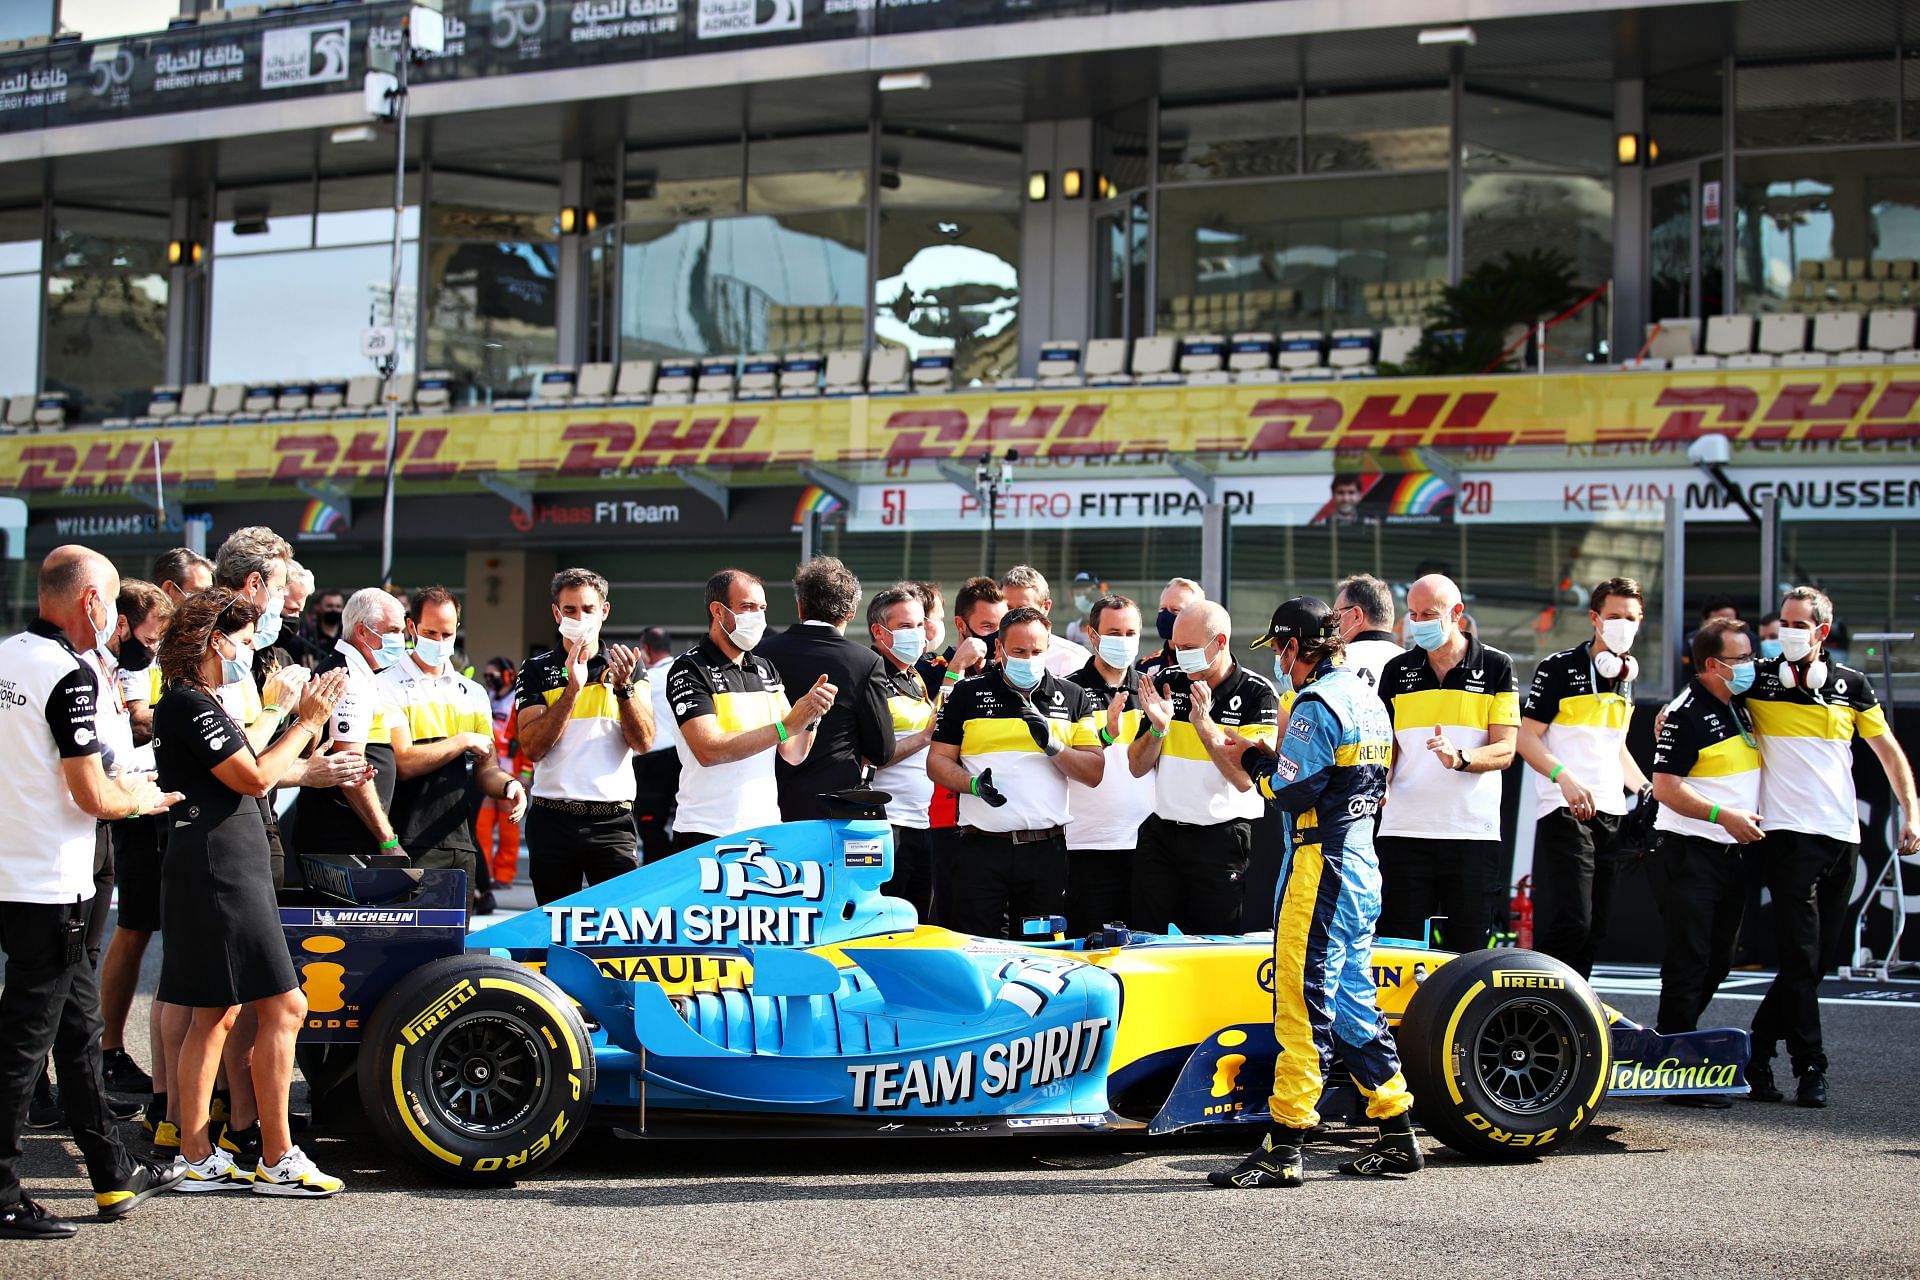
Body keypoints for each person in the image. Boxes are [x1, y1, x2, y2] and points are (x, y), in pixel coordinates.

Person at [0, 546, 187, 1238]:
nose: (111, 611)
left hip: (19, 869)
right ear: (89, 602)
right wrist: (138, 797)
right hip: (52, 880)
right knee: (25, 1040)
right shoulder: (68, 674)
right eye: (108, 598)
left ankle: (111, 1171)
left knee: (79, 1029)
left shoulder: (7, 655)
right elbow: (90, 794)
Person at [1209, 597, 1417, 1189]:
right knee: (1352, 998)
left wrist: (1251, 757)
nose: (1278, 660)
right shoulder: (1367, 698)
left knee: (1301, 1002)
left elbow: (1290, 792)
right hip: (1360, 861)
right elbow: (1333, 778)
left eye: (1278, 648)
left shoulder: (1314, 700)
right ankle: (1397, 1130)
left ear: (1295, 647)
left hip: (1320, 866)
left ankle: (1286, 1144)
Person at [153, 588, 348, 1195]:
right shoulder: (188, 702)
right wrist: (307, 721)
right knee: (285, 1007)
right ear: (215, 641)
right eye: (240, 640)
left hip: (221, 858)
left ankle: (197, 1154)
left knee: (215, 1013)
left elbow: (254, 758)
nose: (248, 650)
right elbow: (257, 775)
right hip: (221, 865)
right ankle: (276, 1156)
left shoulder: (197, 700)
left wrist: (289, 720)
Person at [1745, 587, 1920, 1108]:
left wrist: (1912, 810)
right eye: (1783, 623)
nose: (1787, 632)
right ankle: (1810, 1068)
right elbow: (1702, 693)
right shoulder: (1756, 676)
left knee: (1814, 963)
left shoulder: (1853, 685)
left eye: (1799, 624)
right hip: (1784, 835)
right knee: (1801, 956)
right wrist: (1669, 717)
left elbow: (1889, 754)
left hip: (1842, 838)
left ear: (1822, 632)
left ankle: (1756, 1052)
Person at [926, 607, 1103, 938]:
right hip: (981, 849)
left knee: (1040, 952)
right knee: (976, 946)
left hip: (1044, 850)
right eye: (1019, 652)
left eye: (1036, 652)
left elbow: (1094, 771)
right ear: (999, 649)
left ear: (1048, 649)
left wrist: (1054, 746)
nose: (1029, 659)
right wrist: (973, 784)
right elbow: (937, 761)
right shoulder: (968, 693)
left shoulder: (1074, 696)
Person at [1516, 577, 1652, 979]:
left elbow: (1617, 748)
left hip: (1611, 810)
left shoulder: (1626, 675)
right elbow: (1525, 736)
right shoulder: (1559, 666)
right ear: (1595, 618)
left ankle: (1575, 1021)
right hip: (1565, 808)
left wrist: (1645, 788)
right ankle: (1541, 1005)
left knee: (1594, 930)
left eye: (1630, 617)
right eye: (1613, 616)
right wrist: (1565, 778)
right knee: (1570, 922)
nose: (1622, 624)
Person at [1374, 574, 1518, 950]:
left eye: (1429, 614)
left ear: (1457, 613)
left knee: (1466, 955)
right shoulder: (1396, 670)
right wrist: (1378, 784)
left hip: (1471, 834)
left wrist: (1461, 758)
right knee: (1396, 950)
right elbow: (1386, 747)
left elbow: (1506, 749)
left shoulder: (1497, 666)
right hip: (1403, 832)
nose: (1419, 622)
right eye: (1413, 614)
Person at [1649, 618, 1764, 1081]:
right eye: (1742, 659)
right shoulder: (1684, 710)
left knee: (1719, 958)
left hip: (1731, 853)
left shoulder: (1742, 702)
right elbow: (1666, 788)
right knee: (1689, 959)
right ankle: (1674, 1062)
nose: (1752, 667)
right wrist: (1723, 816)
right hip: (1687, 849)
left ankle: (1677, 1048)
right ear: (1712, 664)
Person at [1129, 600, 1279, 934]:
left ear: (1220, 642)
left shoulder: (1258, 693)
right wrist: (1157, 729)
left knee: (1215, 942)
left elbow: (1243, 779)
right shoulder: (1168, 680)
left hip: (1221, 838)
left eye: (1190, 648)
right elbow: (1137, 767)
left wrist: (1204, 724)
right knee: (1144, 938)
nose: (1181, 656)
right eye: (1177, 647)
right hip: (1163, 834)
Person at [515, 568, 656, 903]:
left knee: (618, 931)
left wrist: (623, 690)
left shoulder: (627, 666)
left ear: (603, 612)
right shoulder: (536, 669)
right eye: (570, 610)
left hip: (612, 821)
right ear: (556, 613)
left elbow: (644, 742)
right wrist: (572, 690)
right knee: (550, 929)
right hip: (553, 817)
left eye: (588, 609)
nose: (579, 617)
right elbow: (532, 747)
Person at [669, 568, 834, 849]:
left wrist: (811, 715)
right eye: (747, 607)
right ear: (718, 612)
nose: (757, 617)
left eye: (762, 608)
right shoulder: (689, 668)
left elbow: (793, 753)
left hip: (765, 830)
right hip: (706, 831)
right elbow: (709, 750)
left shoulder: (765, 668)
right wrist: (787, 726)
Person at [383, 587, 528, 907]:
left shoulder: (473, 692)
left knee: (456, 950)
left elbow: (485, 768)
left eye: (446, 633)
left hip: (460, 843)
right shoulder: (386, 682)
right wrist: (461, 741)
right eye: (429, 632)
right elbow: (404, 762)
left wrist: (509, 785)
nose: (438, 641)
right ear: (411, 628)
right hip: (404, 840)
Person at [95, 580, 174, 1097]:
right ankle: (102, 1054)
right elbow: (105, 758)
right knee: (120, 936)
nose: (153, 650)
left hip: (134, 802)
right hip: (116, 815)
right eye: (149, 640)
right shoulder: (100, 668)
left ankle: (94, 1064)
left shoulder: (108, 664)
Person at [754, 557, 893, 822]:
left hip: (768, 800)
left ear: (799, 606)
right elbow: (882, 750)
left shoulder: (761, 653)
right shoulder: (865, 662)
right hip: (834, 806)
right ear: (851, 612)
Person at [296, 587, 409, 861]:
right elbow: (350, 765)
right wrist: (387, 839)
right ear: (362, 632)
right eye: (393, 631)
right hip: (344, 839)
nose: (401, 639)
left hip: (343, 833)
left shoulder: (354, 670)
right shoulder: (349, 678)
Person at [1062, 594, 1152, 936]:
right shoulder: (1068, 691)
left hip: (1144, 850)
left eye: (1131, 633)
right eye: (1114, 633)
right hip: (1084, 846)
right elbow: (1061, 759)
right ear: (1093, 635)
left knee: (1142, 951)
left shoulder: (1150, 689)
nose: (1124, 641)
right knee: (1088, 949)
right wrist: (1105, 734)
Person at [914, 578, 1001, 925]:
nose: (995, 636)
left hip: (993, 817)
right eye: (987, 627)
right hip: (942, 813)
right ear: (961, 626)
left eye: (1001, 626)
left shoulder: (1007, 676)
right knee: (944, 914)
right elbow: (933, 726)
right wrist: (956, 669)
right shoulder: (928, 670)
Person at [867, 586, 937, 915]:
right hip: (887, 823)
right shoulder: (871, 675)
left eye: (920, 625)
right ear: (879, 632)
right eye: (906, 627)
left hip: (921, 822)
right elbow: (870, 754)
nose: (918, 635)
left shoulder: (915, 677)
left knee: (918, 922)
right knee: (885, 923)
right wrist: (924, 737)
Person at [476, 656, 528, 886]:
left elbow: (526, 742)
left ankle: (504, 876)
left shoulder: (517, 703)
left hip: (511, 775)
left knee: (509, 831)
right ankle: (484, 876)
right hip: (487, 773)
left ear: (508, 675)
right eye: (487, 674)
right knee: (481, 828)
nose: (489, 679)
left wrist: (525, 776)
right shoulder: (486, 699)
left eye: (493, 674)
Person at [633, 627, 681, 863]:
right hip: (682, 758)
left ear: (647, 650)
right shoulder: (683, 671)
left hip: (652, 762)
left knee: (650, 826)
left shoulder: (647, 679)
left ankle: (658, 872)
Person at [1000, 565, 1092, 679]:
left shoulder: (1073, 658)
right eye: (1007, 608)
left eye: (1022, 610)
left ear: (1045, 607)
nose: (1012, 617)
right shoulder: (985, 653)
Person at [1333, 573, 1401, 692]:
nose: (1333, 622)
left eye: (1336, 614)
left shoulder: (1334, 661)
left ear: (1357, 616)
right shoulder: (1415, 664)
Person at [1140, 577, 1205, 679]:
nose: (1165, 615)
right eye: (1162, 608)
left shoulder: (1206, 664)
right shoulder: (1145, 667)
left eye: (1175, 609)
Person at [274, 562, 316, 669]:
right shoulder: (238, 653)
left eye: (299, 612)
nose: (295, 618)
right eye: (291, 609)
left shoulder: (284, 658)